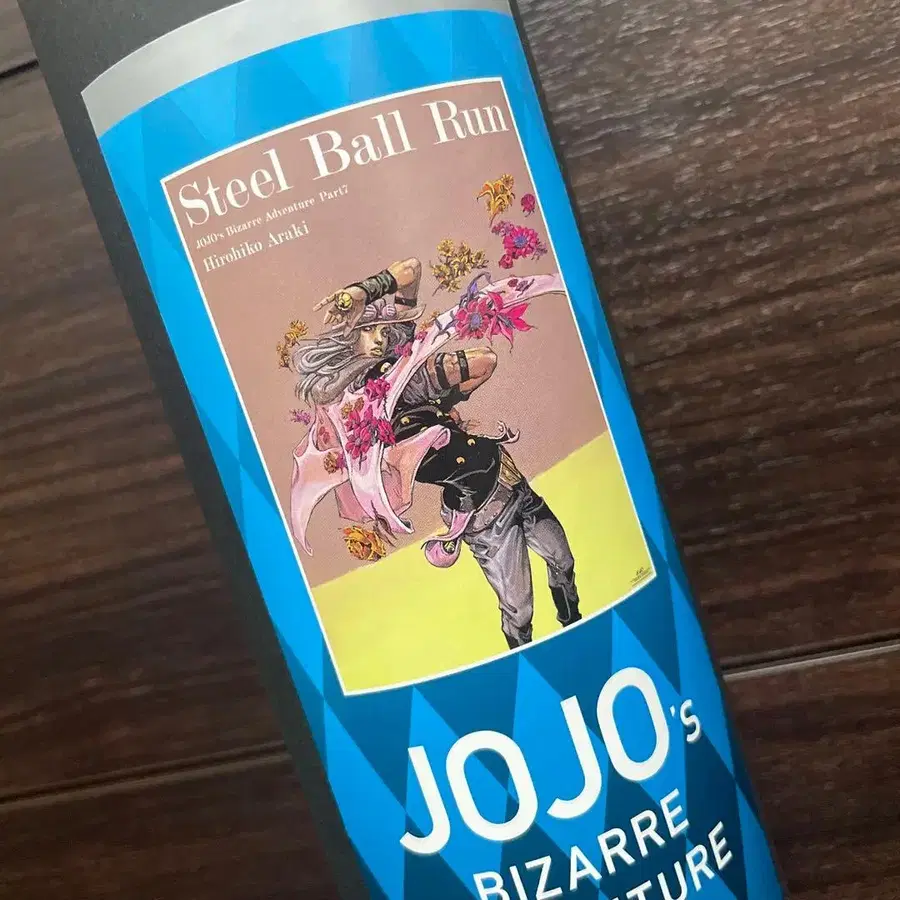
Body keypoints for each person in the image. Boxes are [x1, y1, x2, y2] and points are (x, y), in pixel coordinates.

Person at [291, 258, 581, 648]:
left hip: (512, 484)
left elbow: (412, 272)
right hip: (482, 516)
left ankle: (574, 623)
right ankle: (528, 661)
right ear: (348, 341)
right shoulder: (353, 413)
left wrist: (365, 290)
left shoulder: (406, 372)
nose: (377, 337)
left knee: (563, 562)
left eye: (382, 329)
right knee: (519, 611)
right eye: (367, 330)